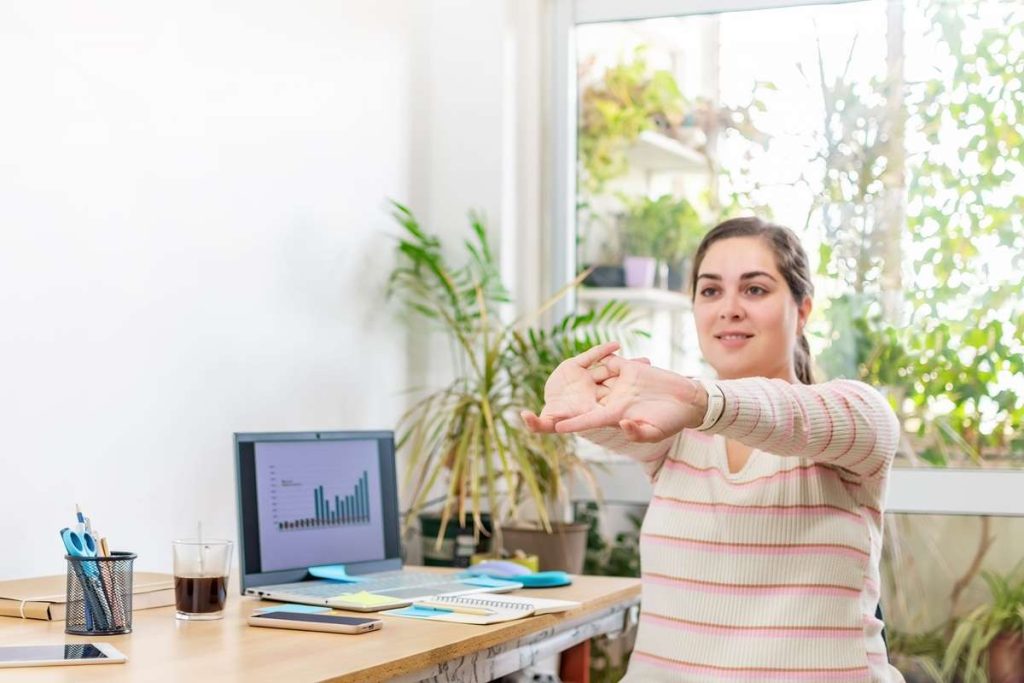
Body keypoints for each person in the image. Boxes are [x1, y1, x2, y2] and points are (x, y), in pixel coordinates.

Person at [522, 217, 903, 682]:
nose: (729, 309)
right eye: (710, 291)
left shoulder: (852, 419)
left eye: (756, 290)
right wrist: (580, 402)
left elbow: (794, 417)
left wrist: (698, 399)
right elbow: (615, 423)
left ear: (802, 311)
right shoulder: (674, 435)